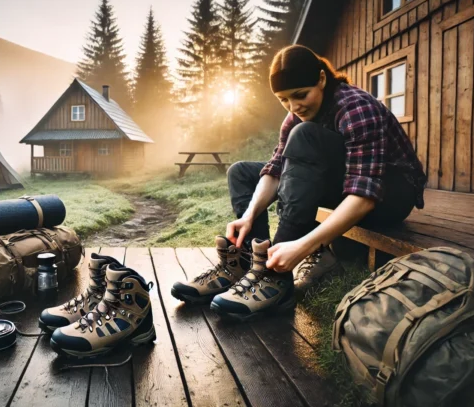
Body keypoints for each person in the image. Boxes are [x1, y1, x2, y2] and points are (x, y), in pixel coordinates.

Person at [171, 45, 427, 321]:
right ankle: (248, 263)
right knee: (241, 172)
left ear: (321, 79)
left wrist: (302, 246)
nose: (294, 107)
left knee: (305, 135)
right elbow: (276, 170)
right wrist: (248, 216)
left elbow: (364, 196)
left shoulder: (356, 107)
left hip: (392, 194)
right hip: (344, 185)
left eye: (300, 95)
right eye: (283, 100)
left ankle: (275, 278)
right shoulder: (295, 117)